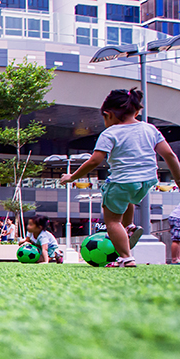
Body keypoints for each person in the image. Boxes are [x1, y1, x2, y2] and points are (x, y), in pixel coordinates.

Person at [61, 88, 180, 267]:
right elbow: (169, 155)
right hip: (146, 181)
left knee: (112, 221)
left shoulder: (110, 133)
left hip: (121, 181)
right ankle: (129, 226)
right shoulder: (150, 129)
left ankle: (126, 257)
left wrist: (72, 177)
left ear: (108, 114)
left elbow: (94, 161)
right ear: (137, 111)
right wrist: (178, 179)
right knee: (127, 198)